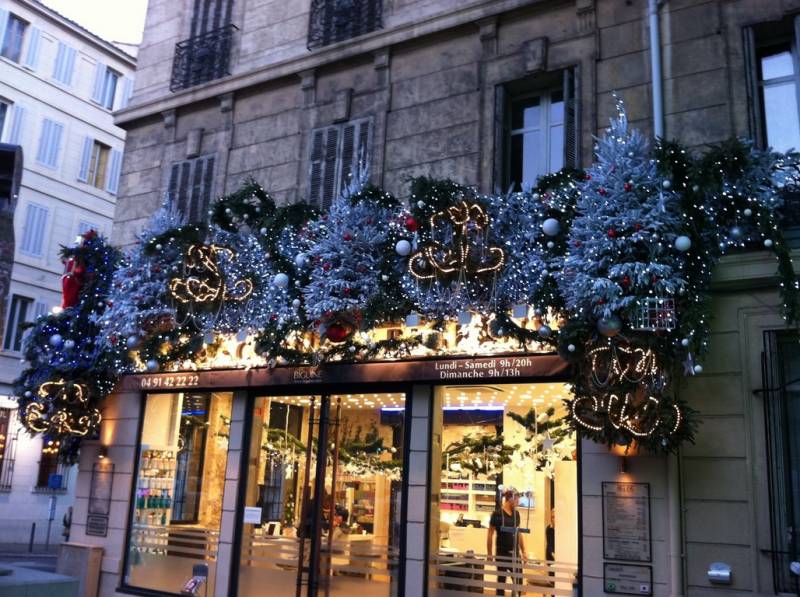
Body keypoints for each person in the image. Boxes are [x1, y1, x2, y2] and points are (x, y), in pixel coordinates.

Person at [487, 489, 528, 595]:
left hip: (514, 553)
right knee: (501, 582)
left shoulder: (516, 514)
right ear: (510, 499)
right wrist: (489, 554)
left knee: (518, 582)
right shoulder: (497, 514)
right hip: (501, 553)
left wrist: (524, 551)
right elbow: (490, 534)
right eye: (517, 500)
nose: (518, 503)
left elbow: (519, 533)